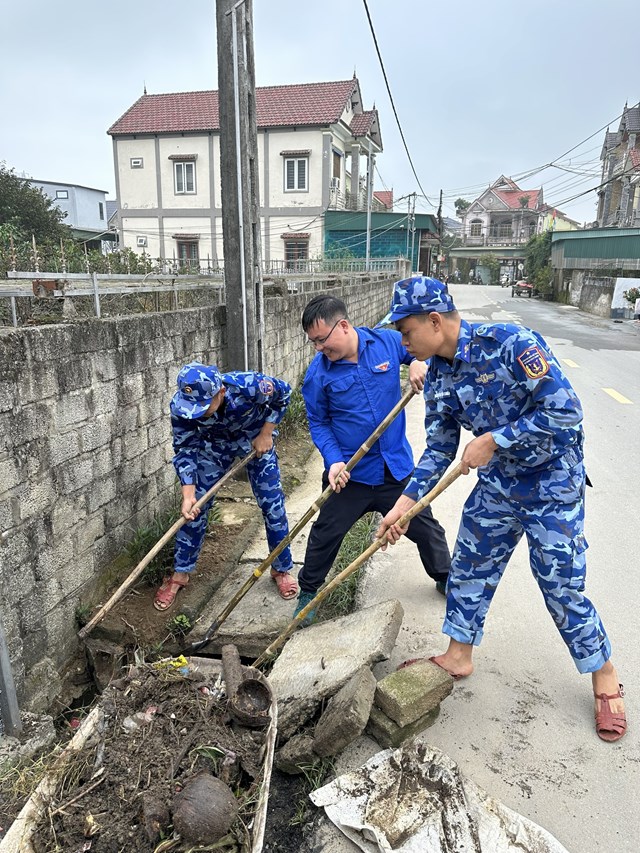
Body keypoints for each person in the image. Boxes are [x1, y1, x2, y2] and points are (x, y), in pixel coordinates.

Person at [376, 275, 627, 742]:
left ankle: (603, 672)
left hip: (552, 480)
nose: (403, 341)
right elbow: (438, 448)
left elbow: (566, 410)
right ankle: (458, 654)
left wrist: (496, 439)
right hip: (500, 486)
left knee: (560, 583)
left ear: (435, 320)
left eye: (407, 331)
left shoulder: (511, 343)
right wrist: (405, 505)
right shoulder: (438, 375)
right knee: (470, 565)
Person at [294, 295, 451, 622]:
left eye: (322, 340)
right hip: (350, 474)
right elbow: (319, 424)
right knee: (326, 533)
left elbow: (416, 352)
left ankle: (444, 576)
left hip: (395, 469)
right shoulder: (317, 375)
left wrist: (420, 363)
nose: (319, 348)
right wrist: (333, 460)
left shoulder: (387, 342)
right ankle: (308, 593)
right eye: (313, 343)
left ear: (345, 326)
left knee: (424, 526)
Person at [153, 362, 298, 610]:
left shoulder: (248, 386)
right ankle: (180, 573)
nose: (196, 414)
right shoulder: (183, 407)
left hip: (254, 441)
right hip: (214, 448)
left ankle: (281, 568)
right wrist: (187, 494)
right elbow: (185, 448)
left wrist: (266, 433)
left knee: (273, 506)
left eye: (202, 408)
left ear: (220, 393)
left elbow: (283, 394)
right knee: (193, 510)